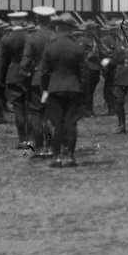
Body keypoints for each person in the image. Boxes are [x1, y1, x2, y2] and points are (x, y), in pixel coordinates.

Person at [38, 13, 87, 167]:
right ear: (71, 29)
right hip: (74, 88)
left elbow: (44, 72)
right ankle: (71, 157)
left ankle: (57, 157)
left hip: (55, 89)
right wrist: (82, 90)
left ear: (58, 27)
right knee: (71, 124)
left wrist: (45, 89)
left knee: (57, 124)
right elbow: (83, 72)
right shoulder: (77, 48)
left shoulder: (50, 47)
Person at [19, 6, 56, 156]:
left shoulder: (32, 38)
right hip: (54, 80)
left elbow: (25, 62)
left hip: (37, 80)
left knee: (36, 114)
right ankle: (52, 146)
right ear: (50, 19)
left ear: (37, 20)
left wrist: (23, 78)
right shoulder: (56, 36)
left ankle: (39, 148)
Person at [0, 12, 30, 146]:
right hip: (28, 74)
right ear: (23, 21)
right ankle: (32, 138)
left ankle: (22, 139)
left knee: (18, 108)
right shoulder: (30, 37)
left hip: (12, 74)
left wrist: (1, 77)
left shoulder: (6, 39)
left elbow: (3, 61)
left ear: (11, 22)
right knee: (29, 107)